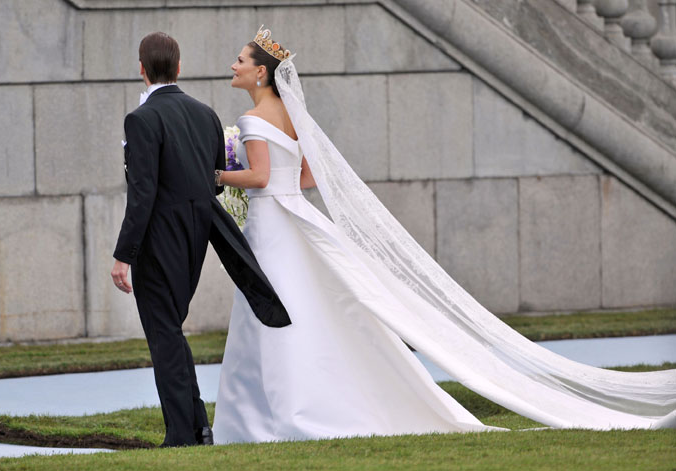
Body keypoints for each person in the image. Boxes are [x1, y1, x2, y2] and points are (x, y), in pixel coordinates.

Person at [211, 26, 676, 444]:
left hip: (272, 224)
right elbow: (307, 176)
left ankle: (267, 417)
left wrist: (219, 174)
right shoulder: (292, 116)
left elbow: (260, 176)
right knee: (313, 309)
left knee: (272, 312)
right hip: (298, 219)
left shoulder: (253, 121)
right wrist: (265, 180)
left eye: (241, 60)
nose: (234, 66)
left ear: (260, 75)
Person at [110, 32, 290, 448]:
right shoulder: (206, 114)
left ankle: (181, 435)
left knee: (163, 334)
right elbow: (213, 180)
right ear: (178, 69)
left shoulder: (140, 120)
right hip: (196, 241)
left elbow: (142, 194)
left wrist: (124, 256)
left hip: (157, 243)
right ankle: (197, 428)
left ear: (141, 69)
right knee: (170, 330)